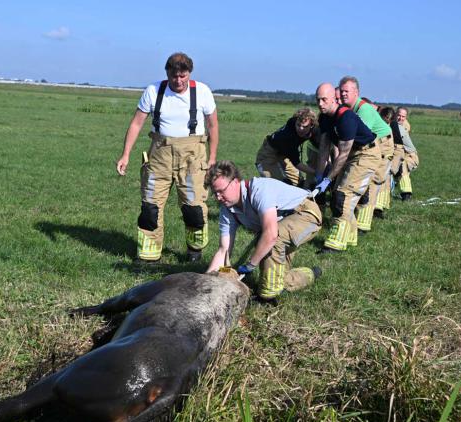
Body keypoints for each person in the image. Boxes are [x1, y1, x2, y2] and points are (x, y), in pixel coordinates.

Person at [115, 52, 219, 263]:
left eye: (183, 76)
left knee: (194, 208)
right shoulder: (154, 91)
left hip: (192, 156)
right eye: (174, 76)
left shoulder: (202, 91)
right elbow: (136, 123)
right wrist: (125, 154)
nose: (178, 81)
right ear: (167, 73)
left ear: (189, 73)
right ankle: (148, 256)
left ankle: (194, 251)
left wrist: (212, 158)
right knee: (150, 207)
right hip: (159, 155)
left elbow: (213, 125)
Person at [205, 161, 322, 301]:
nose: (218, 197)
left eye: (221, 191)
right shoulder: (227, 210)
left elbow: (271, 235)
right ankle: (310, 274)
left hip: (306, 214)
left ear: (235, 182)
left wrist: (250, 265)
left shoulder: (258, 190)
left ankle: (267, 297)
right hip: (281, 225)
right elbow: (223, 250)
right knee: (278, 279)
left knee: (271, 240)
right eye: (215, 192)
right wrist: (205, 280)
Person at [313, 83, 381, 252]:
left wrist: (329, 178)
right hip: (352, 154)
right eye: (317, 100)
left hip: (366, 154)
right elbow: (324, 147)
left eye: (324, 99)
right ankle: (350, 237)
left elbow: (343, 153)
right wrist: (319, 174)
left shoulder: (346, 118)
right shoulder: (324, 117)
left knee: (343, 195)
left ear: (334, 99)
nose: (320, 104)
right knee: (338, 192)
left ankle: (335, 244)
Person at [338, 77, 393, 232]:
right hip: (372, 142)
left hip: (382, 143)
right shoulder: (351, 108)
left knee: (372, 182)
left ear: (356, 92)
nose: (343, 94)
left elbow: (360, 135)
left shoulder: (364, 110)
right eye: (341, 91)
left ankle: (363, 224)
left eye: (346, 91)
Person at [255, 108, 318, 186]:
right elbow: (297, 163)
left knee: (299, 182)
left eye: (305, 126)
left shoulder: (314, 128)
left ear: (312, 125)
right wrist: (317, 173)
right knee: (281, 185)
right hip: (267, 155)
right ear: (295, 121)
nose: (301, 129)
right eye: (298, 125)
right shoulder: (288, 137)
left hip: (283, 155)